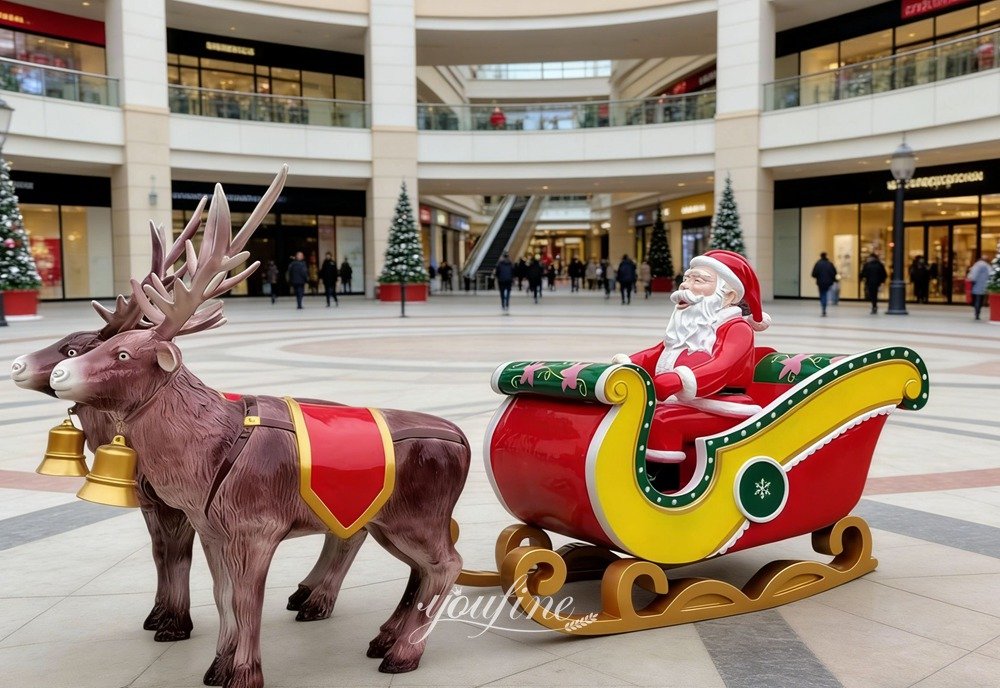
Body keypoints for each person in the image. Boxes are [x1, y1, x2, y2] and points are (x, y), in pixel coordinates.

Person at [611, 250, 770, 492]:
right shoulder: (689, 328)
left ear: (727, 296)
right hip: (690, 404)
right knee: (635, 413)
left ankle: (663, 490)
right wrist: (626, 365)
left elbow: (722, 366)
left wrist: (679, 379)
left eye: (699, 280)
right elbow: (656, 352)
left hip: (723, 407)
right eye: (687, 278)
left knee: (663, 420)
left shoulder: (737, 329)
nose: (685, 286)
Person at [811, 252, 838, 316]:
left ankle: (823, 308)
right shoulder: (830, 264)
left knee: (822, 294)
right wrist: (833, 279)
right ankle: (824, 306)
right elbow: (834, 273)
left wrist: (818, 276)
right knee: (825, 293)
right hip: (828, 282)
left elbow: (813, 274)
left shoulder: (818, 264)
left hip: (820, 282)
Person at [968, 254, 992, 320]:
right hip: (983, 285)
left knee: (977, 299)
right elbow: (990, 275)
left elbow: (973, 275)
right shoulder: (987, 266)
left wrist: (972, 279)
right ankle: (978, 313)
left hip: (977, 284)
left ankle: (977, 313)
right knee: (980, 299)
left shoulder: (977, 265)